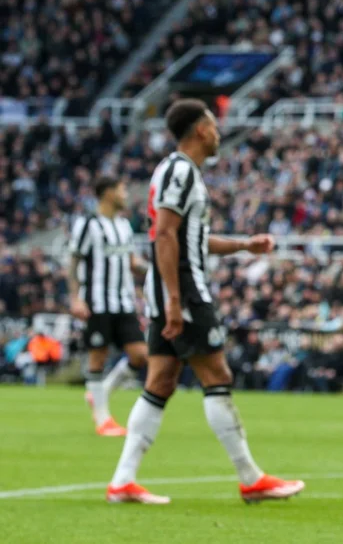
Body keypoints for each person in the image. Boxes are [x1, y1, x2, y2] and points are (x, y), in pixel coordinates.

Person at [105, 99, 304, 505]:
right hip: (184, 290)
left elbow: (190, 237)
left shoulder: (175, 171)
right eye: (213, 125)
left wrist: (245, 244)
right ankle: (251, 478)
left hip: (170, 289)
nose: (218, 132)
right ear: (199, 129)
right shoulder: (181, 171)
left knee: (160, 381)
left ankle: (123, 481)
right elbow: (164, 236)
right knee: (217, 375)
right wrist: (176, 301)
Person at [68, 176, 148, 436]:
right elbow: (74, 262)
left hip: (124, 300)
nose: (126, 193)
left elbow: (133, 262)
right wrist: (75, 298)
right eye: (122, 189)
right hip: (97, 300)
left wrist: (159, 271)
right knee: (98, 356)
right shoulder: (88, 224)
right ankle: (103, 420)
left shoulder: (124, 225)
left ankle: (99, 393)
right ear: (108, 193)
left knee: (140, 355)